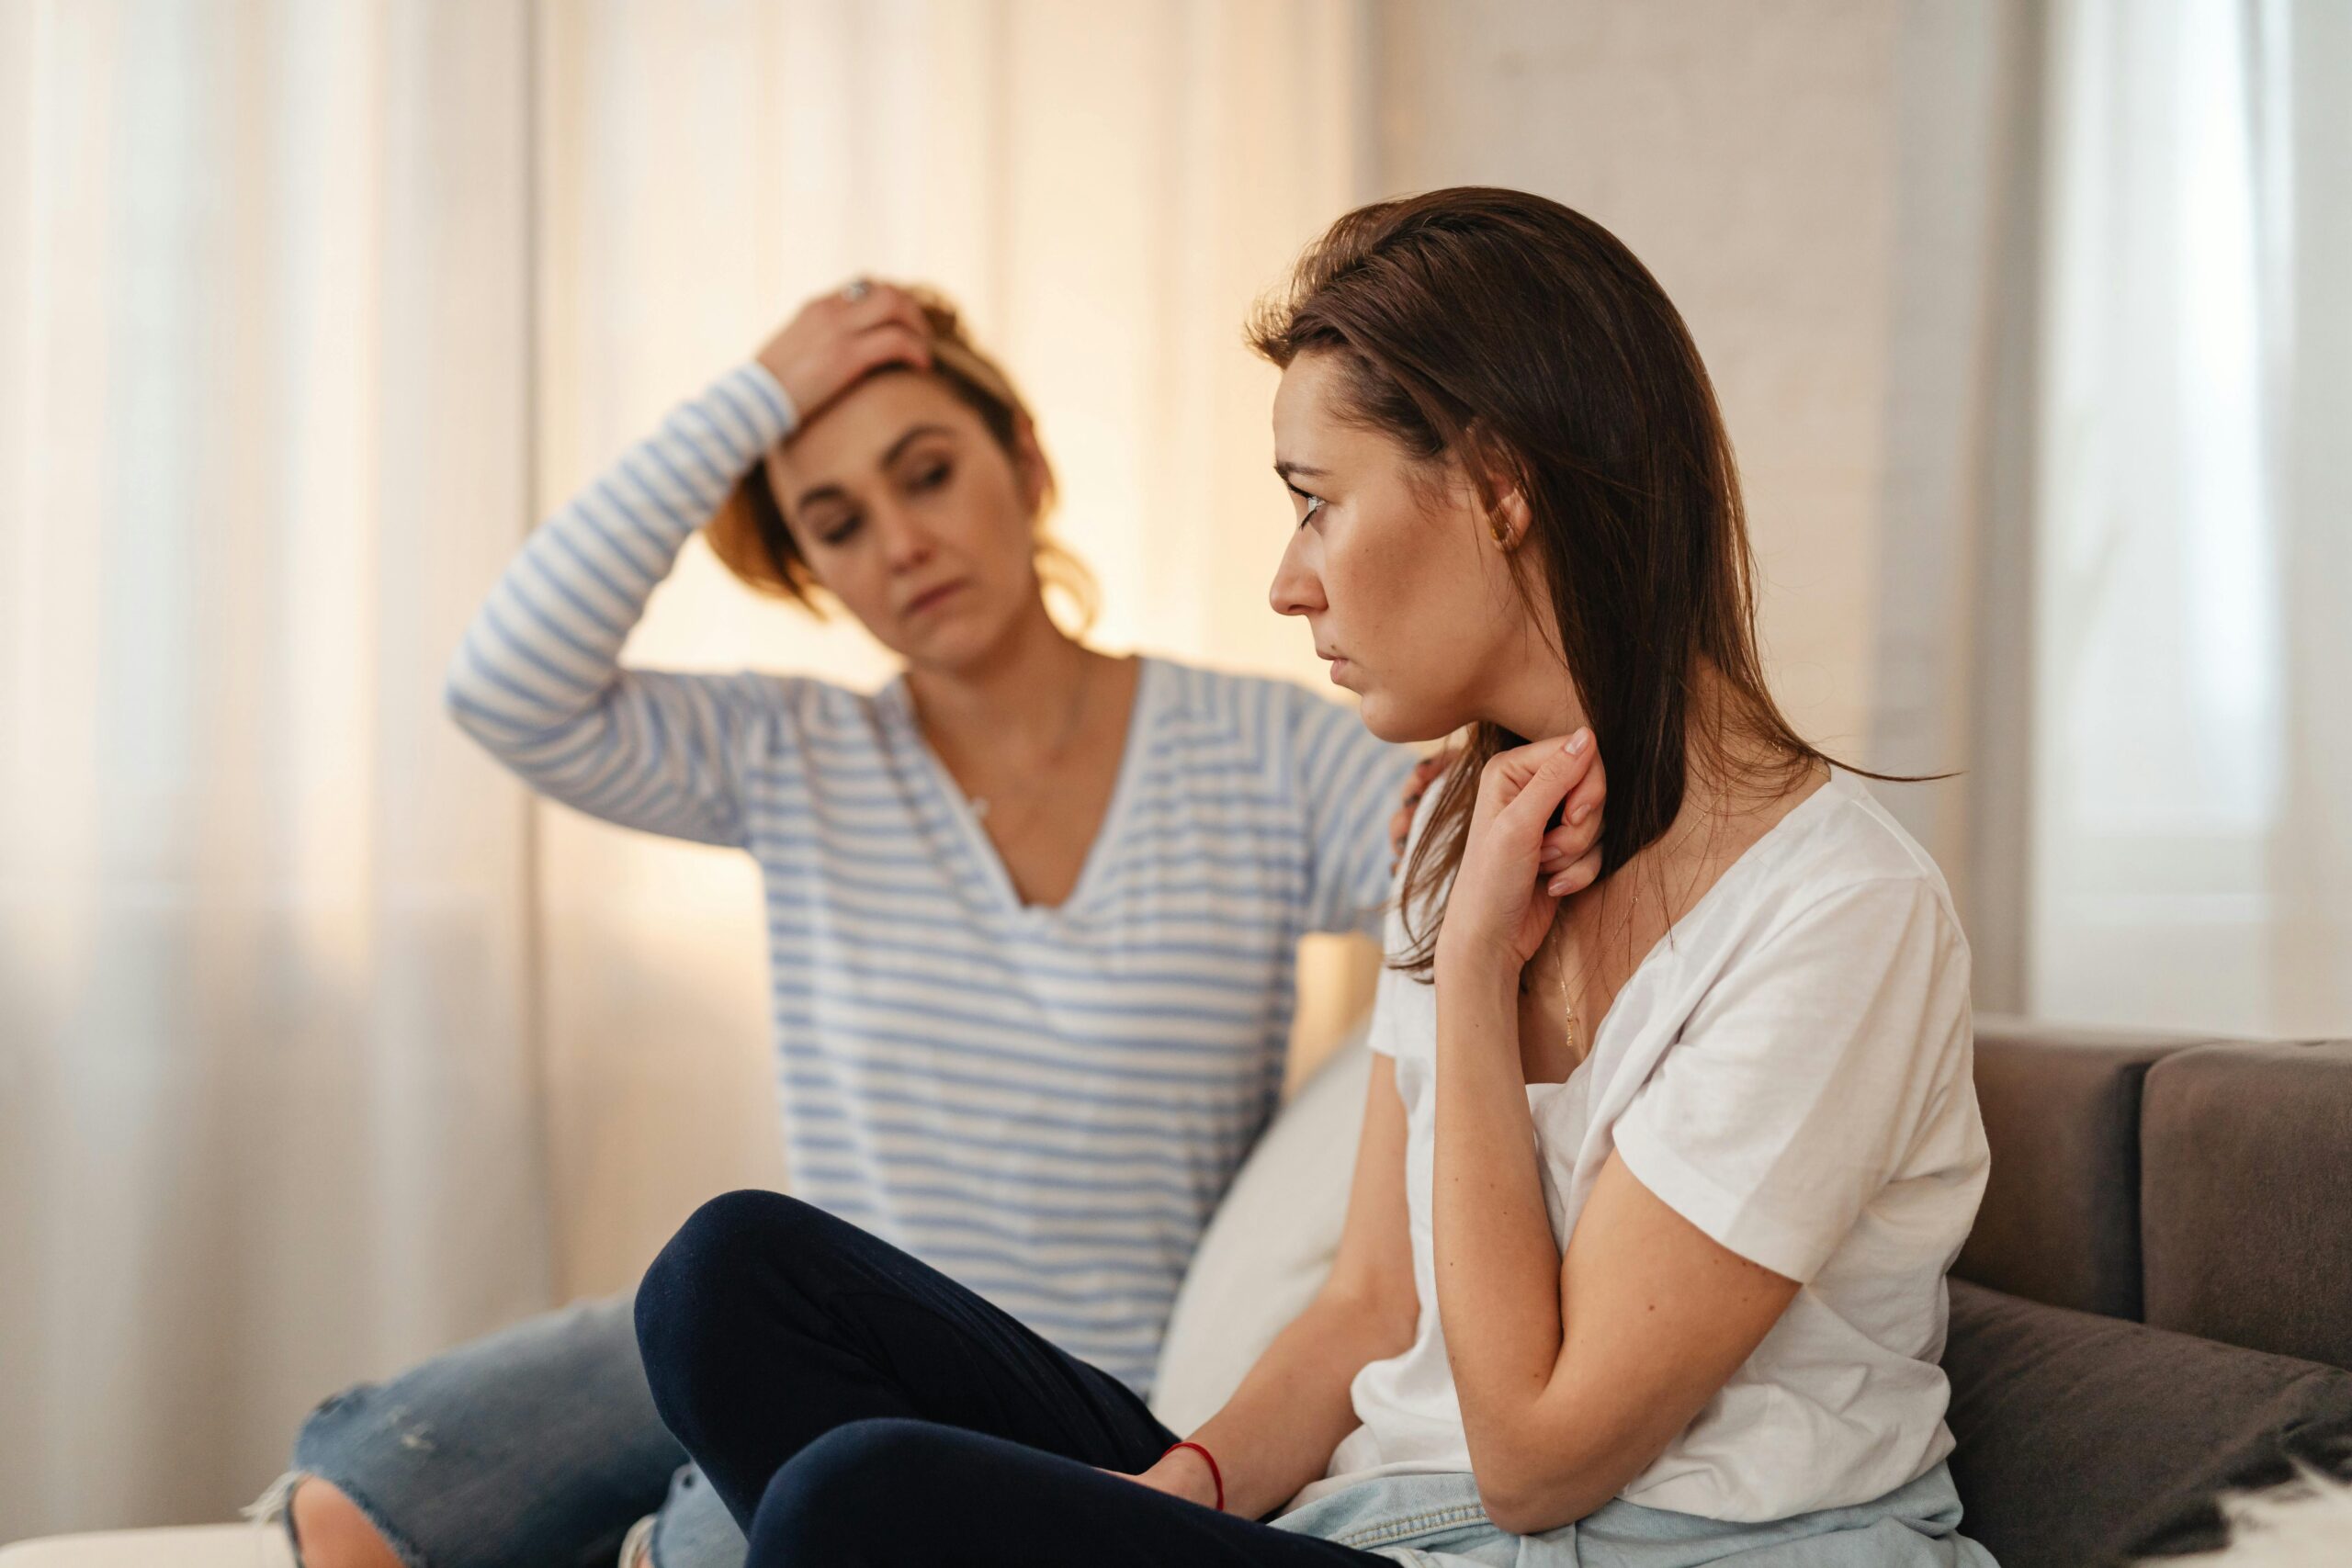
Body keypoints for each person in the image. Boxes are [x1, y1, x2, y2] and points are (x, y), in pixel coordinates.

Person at [630, 186, 1999, 1567]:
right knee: (725, 1281)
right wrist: (1178, 1496)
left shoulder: (1836, 912)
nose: (1290, 583)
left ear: (1500, 488)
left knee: (847, 1502)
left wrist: (1473, 975)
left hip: (1612, 1549)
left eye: (1316, 506)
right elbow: (1368, 1310)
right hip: (1366, 1527)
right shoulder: (1464, 833)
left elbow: (1537, 1462)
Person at [263, 280, 1420, 1568]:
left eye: (928, 475)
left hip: (1037, 1400)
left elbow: (1461, 840)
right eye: (838, 524)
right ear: (812, 572)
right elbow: (507, 686)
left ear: (1025, 463)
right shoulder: (794, 755)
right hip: (797, 1326)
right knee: (365, 1501)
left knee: (721, 1499)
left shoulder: (1262, 754)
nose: (902, 545)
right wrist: (752, 401)